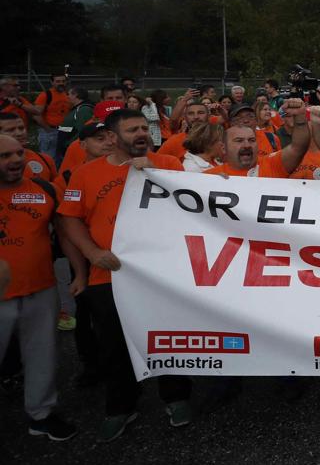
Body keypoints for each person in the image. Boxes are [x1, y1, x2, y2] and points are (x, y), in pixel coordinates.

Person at [58, 108, 191, 441]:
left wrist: (158, 175)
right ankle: (120, 406)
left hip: (163, 275)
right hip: (109, 275)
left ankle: (176, 398)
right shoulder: (85, 174)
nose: (142, 134)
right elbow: (69, 218)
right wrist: (91, 254)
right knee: (114, 344)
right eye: (133, 130)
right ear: (112, 137)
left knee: (167, 338)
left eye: (144, 128)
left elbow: (197, 205)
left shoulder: (170, 166)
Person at [0, 135, 86, 440]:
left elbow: (64, 234)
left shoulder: (43, 189)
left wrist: (78, 273)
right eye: (5, 156)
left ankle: (42, 414)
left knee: (42, 355)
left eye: (19, 153)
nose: (15, 160)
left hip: (41, 287)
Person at [0, 113, 57, 181]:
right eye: (11, 130)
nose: (19, 133)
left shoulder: (45, 159)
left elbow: (56, 188)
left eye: (21, 128)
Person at [31, 72, 71, 158]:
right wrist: (47, 129)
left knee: (61, 158)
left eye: (63, 81)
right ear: (52, 82)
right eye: (58, 81)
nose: (61, 83)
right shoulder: (45, 95)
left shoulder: (67, 95)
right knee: (49, 158)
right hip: (50, 132)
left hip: (64, 131)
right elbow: (36, 114)